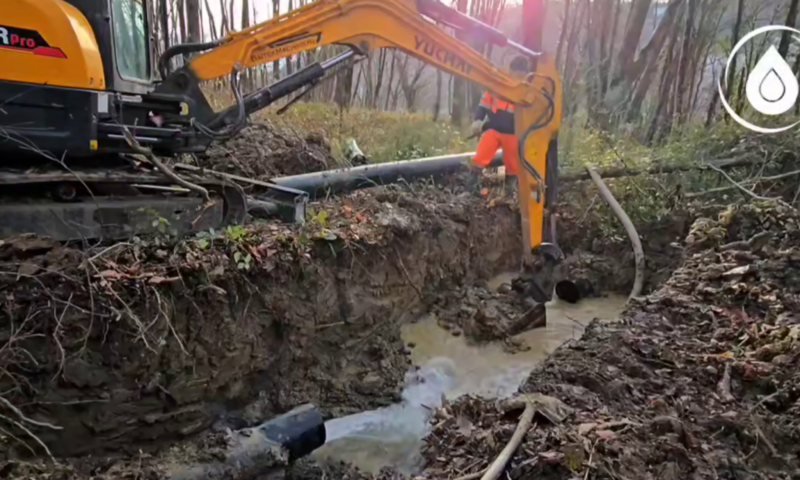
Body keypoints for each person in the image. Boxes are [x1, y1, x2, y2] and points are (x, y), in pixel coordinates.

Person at [466, 56, 530, 192]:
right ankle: (470, 189)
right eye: (516, 74)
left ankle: (509, 192)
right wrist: (478, 120)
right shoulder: (497, 84)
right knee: (480, 158)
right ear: (510, 71)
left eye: (521, 76)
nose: (517, 79)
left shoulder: (527, 91)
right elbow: (484, 104)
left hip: (513, 133)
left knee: (513, 166)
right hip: (493, 128)